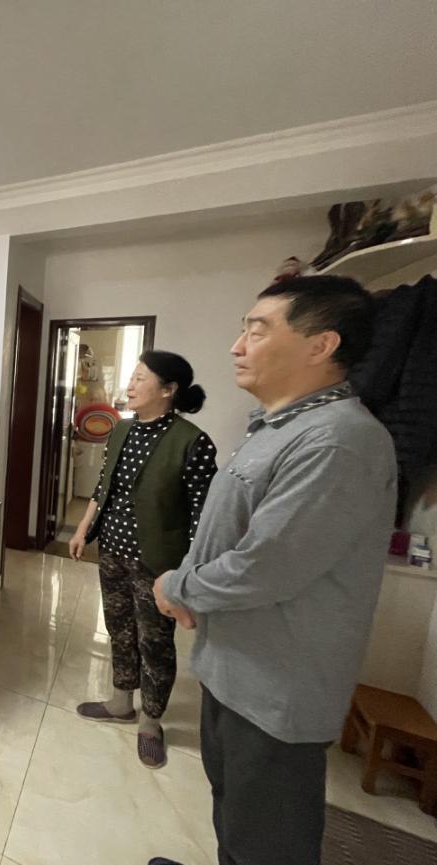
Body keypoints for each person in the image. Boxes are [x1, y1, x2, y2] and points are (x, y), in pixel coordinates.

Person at [149, 276, 396, 865]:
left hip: (275, 688)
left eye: (257, 332)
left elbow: (265, 567)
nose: (237, 346)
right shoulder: (277, 427)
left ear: (321, 344)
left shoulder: (338, 443)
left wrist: (177, 585)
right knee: (234, 811)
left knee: (267, 840)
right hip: (233, 667)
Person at [68, 351, 216, 769]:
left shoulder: (192, 441)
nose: (130, 385)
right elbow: (103, 487)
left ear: (168, 390)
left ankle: (151, 722)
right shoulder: (121, 430)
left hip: (159, 563)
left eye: (139, 378)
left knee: (155, 641)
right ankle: (121, 702)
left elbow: (203, 515)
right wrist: (82, 529)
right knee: (119, 628)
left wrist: (186, 573)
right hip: (112, 550)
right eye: (131, 377)